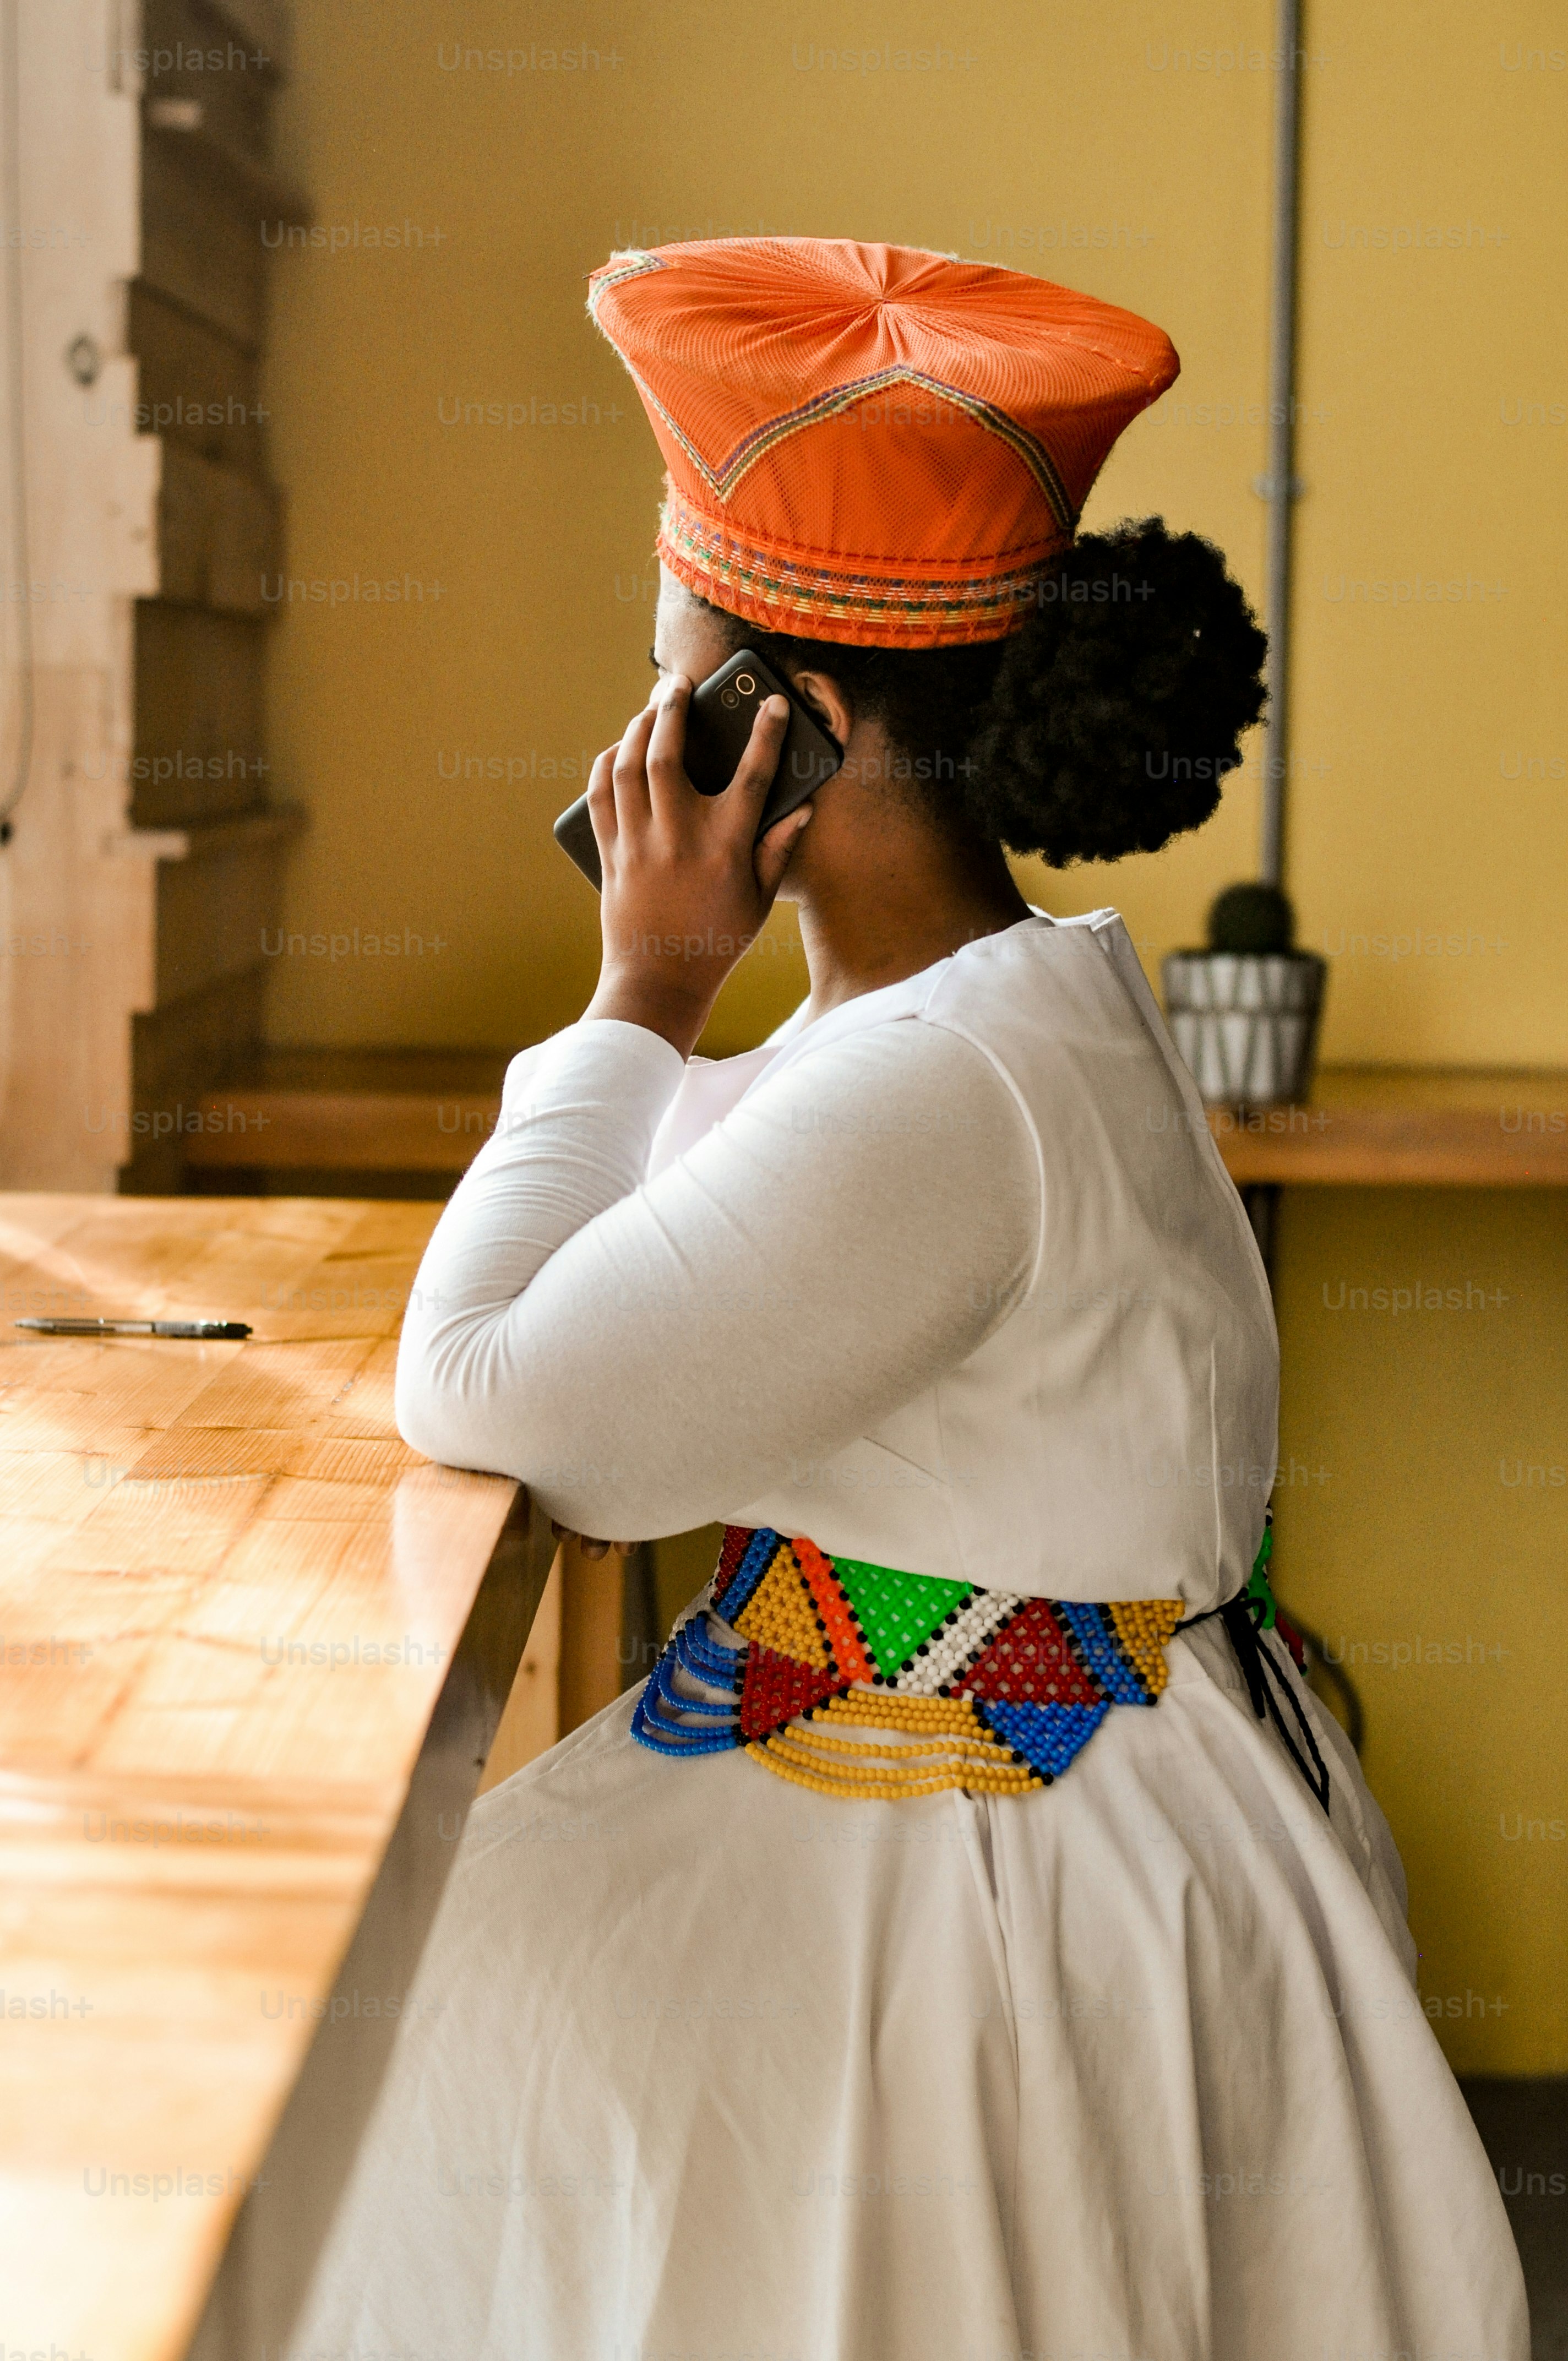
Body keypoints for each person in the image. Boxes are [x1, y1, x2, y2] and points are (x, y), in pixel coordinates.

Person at [294, 239, 1526, 2361]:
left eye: (670, 679)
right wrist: (674, 1018)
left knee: (401, 2030)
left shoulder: (951, 1081)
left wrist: (638, 981)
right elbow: (654, 1253)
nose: (632, 746)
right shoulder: (970, 1019)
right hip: (1007, 1771)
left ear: (790, 729)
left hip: (1007, 1857)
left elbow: (492, 1383)